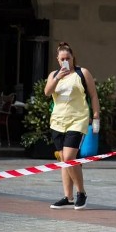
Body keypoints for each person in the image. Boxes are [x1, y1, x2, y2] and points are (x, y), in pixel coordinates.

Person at [46, 42, 100, 210]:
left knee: (69, 158)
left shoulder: (82, 73)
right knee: (63, 160)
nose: (65, 62)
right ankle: (67, 196)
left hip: (78, 120)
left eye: (67, 58)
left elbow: (93, 95)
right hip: (58, 121)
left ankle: (81, 192)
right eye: (62, 59)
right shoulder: (54, 75)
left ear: (73, 57)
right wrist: (57, 78)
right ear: (57, 59)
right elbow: (47, 92)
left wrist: (96, 116)